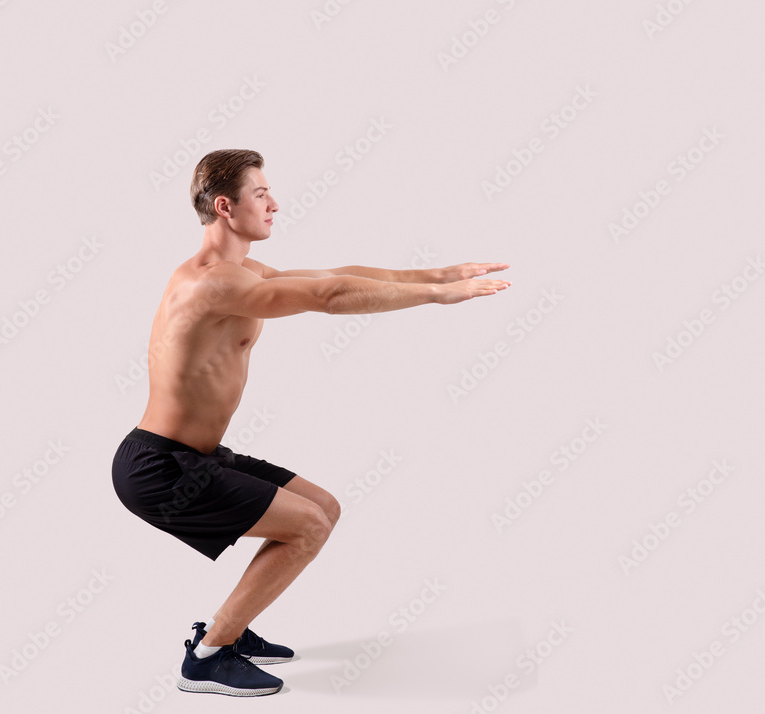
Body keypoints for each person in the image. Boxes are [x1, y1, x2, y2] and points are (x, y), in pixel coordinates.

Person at [111, 149, 511, 697]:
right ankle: (206, 659)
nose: (274, 203)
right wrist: (438, 296)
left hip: (194, 457)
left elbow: (335, 275)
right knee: (308, 526)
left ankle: (230, 628)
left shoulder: (241, 270)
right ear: (226, 206)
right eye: (260, 194)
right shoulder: (209, 283)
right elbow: (328, 297)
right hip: (160, 467)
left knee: (322, 508)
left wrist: (437, 272)